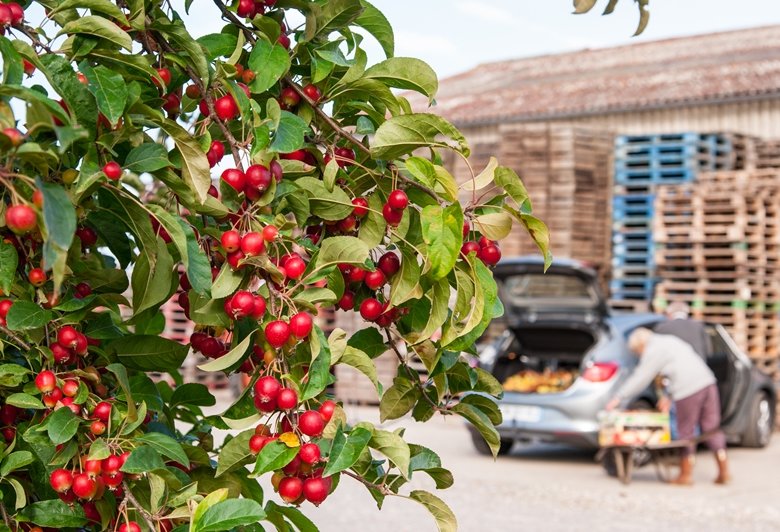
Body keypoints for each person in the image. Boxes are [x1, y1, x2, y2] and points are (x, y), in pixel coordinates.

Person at [605, 328, 729, 485]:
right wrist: (668, 396)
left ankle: (685, 475)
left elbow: (641, 377)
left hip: (688, 390)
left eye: (637, 352)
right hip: (708, 382)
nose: (639, 355)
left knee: (686, 431)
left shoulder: (653, 350)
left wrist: (618, 397)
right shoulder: (669, 341)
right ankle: (724, 471)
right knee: (711, 428)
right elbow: (681, 368)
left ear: (641, 345)